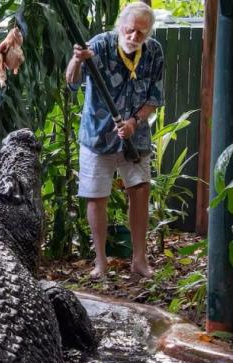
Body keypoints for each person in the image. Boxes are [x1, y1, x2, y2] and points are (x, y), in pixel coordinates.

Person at [65, 2, 164, 279]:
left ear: (149, 33)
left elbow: (154, 98)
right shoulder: (99, 45)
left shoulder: (154, 52)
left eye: (141, 33)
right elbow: (71, 82)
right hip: (98, 135)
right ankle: (100, 263)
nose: (134, 37)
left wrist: (134, 122)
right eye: (130, 30)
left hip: (136, 136)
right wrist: (77, 59)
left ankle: (139, 260)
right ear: (120, 26)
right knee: (96, 196)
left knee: (140, 190)